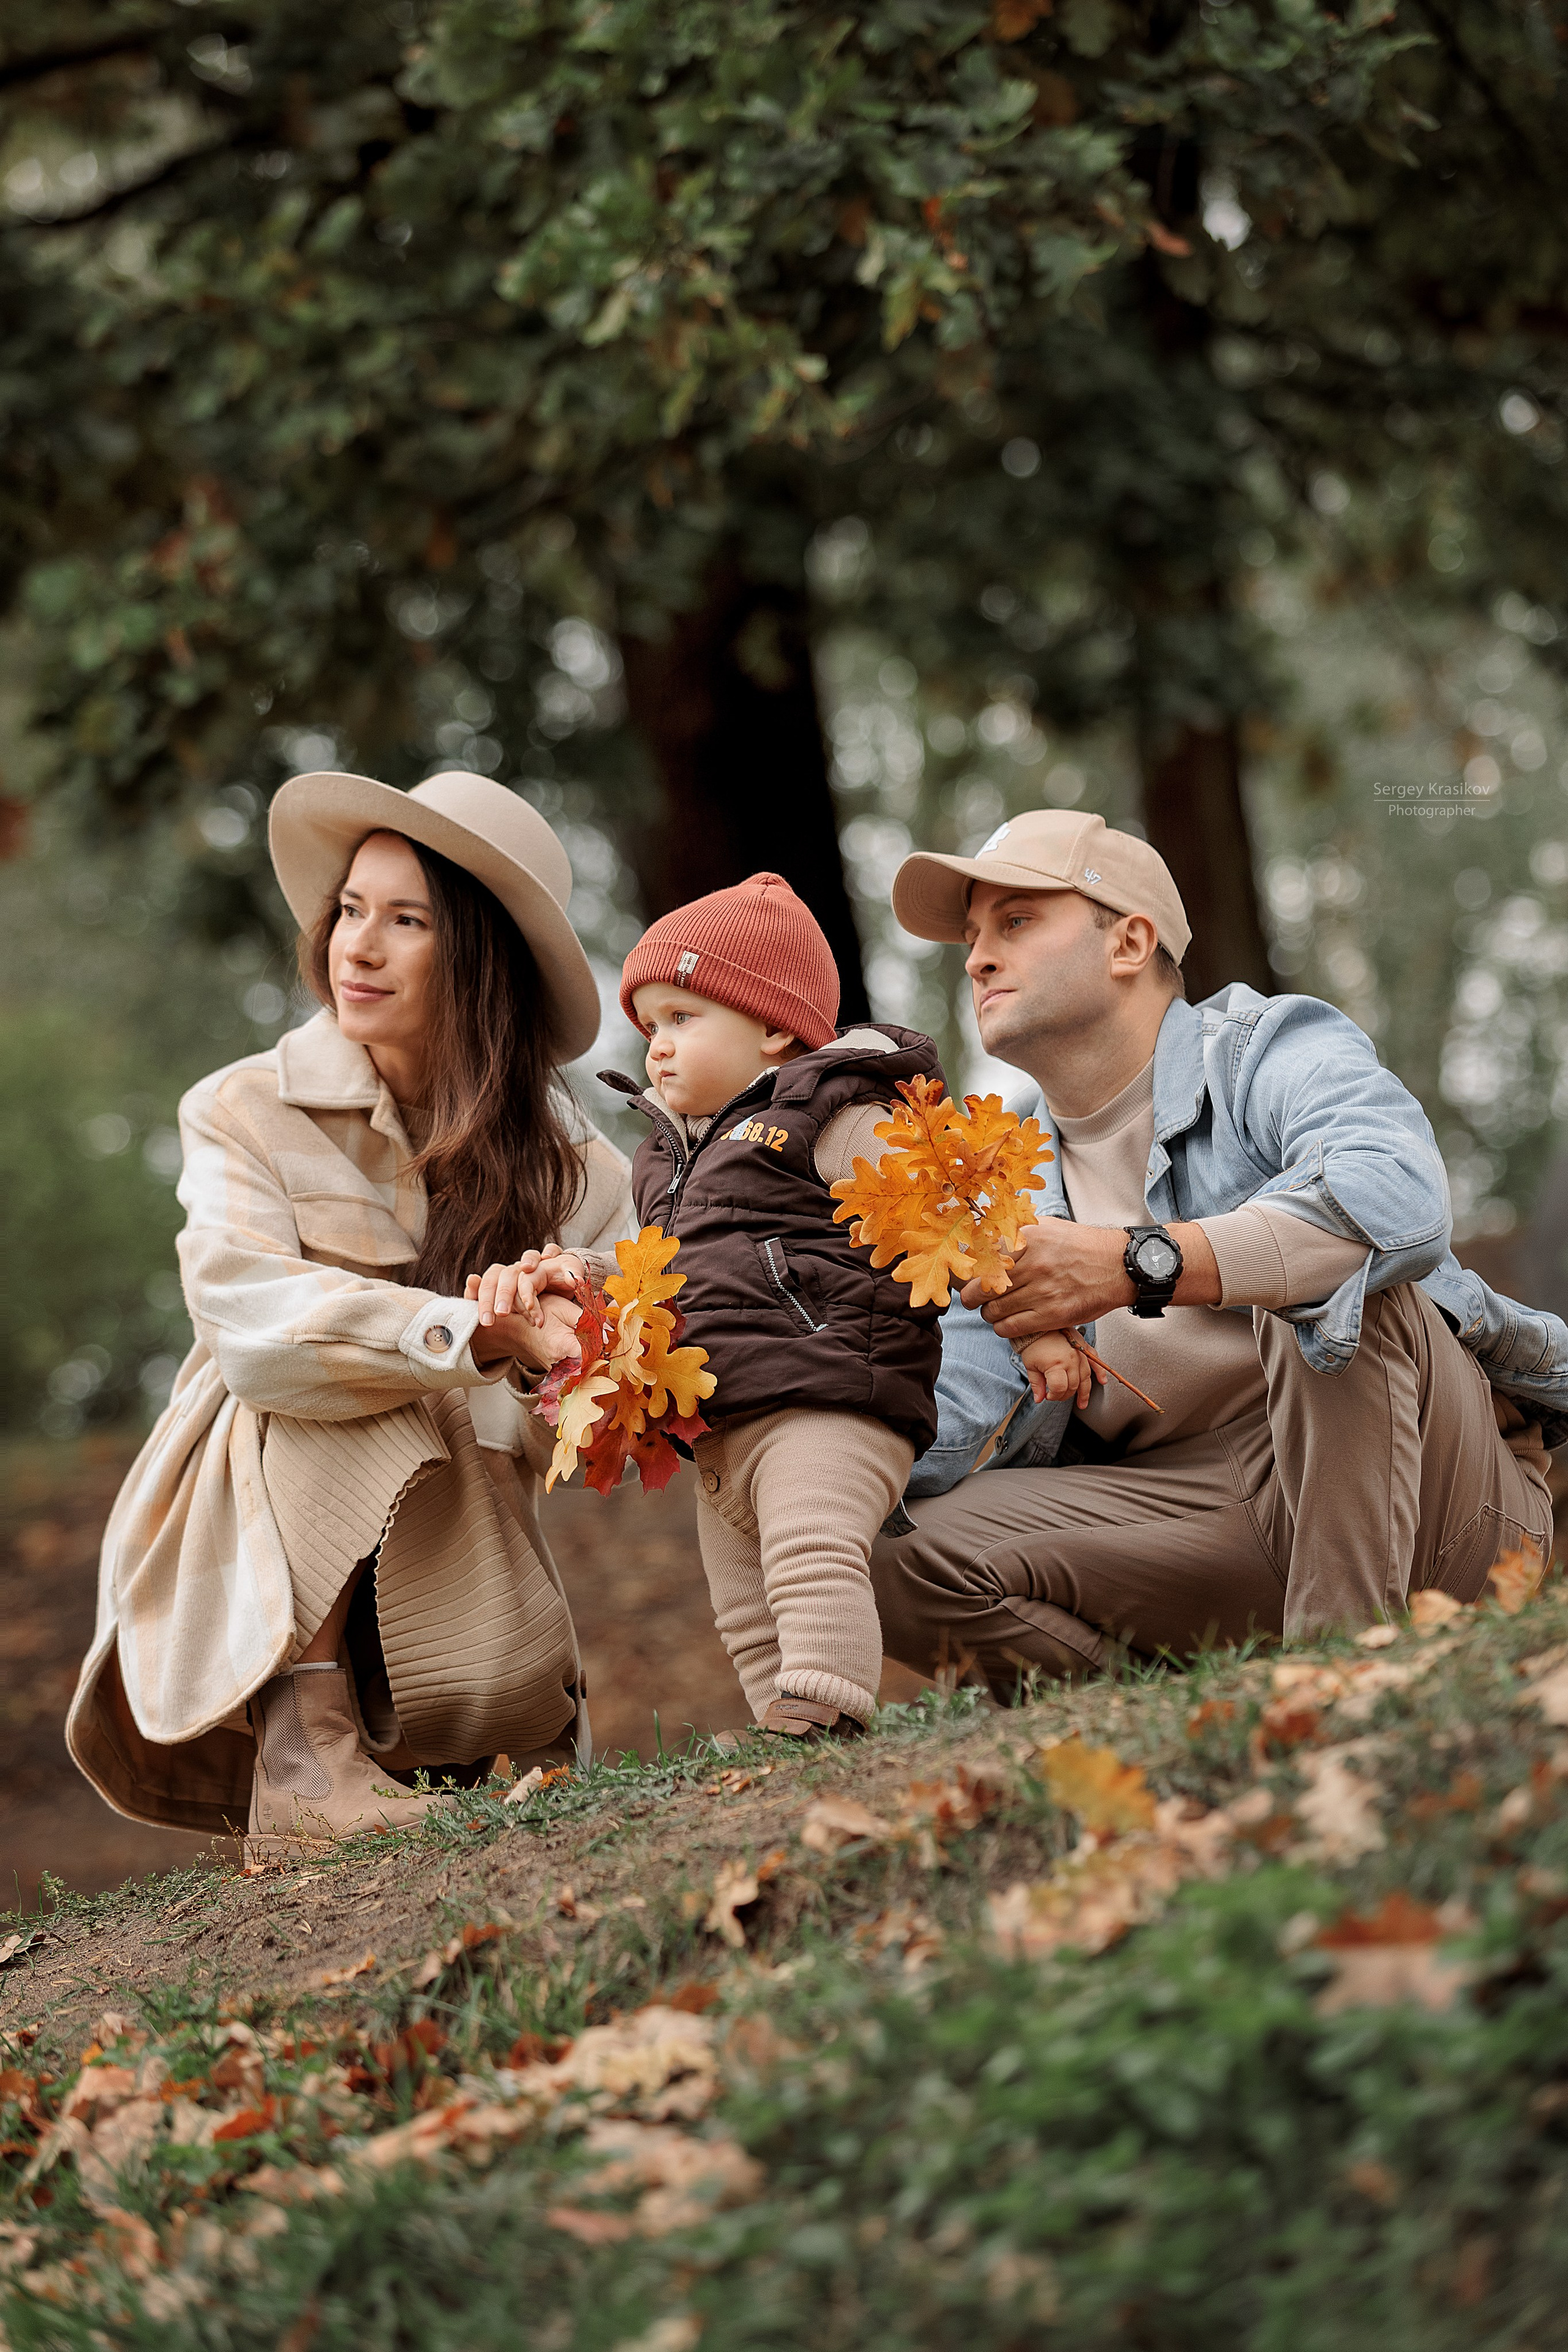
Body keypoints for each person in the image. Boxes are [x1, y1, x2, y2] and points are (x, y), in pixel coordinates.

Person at [867, 807, 1566, 1695]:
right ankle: (1171, 1719)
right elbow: (938, 1421)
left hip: (1437, 1502)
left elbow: (1397, 1197)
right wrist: (765, 1410)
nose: (977, 960)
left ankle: (1333, 1690)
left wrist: (1133, 1263)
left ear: (1129, 943)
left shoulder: (1267, 1049)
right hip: (1192, 1522)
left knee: (1332, 1285)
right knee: (891, 1546)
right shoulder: (998, 1179)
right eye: (971, 939)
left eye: (1016, 921)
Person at [67, 771, 635, 1851]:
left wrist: (556, 1341)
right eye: (350, 910)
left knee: (504, 1728)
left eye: (406, 921)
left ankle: (440, 1733)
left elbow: (597, 1421)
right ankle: (304, 1760)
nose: (356, 948)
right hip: (258, 1521)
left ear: (482, 956)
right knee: (345, 1353)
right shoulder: (242, 1107)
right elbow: (250, 1327)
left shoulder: (584, 1176)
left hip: (456, 1533)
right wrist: (463, 1332)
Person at [601, 872, 944, 1736]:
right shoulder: (664, 1160)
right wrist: (581, 1280)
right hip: (721, 1419)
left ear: (773, 1027)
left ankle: (827, 1705)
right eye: (650, 1027)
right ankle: (783, 1739)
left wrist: (1036, 1324)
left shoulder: (831, 1112)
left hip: (827, 1392)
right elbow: (652, 1270)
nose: (657, 1048)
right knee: (745, 1602)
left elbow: (943, 1217)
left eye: (682, 1018)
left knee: (809, 1550)